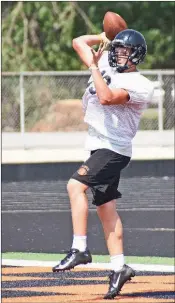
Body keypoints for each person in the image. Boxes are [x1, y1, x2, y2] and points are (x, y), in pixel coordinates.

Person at [52, 28, 154, 299]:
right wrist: (103, 36)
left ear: (137, 55)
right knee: (106, 209)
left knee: (75, 186)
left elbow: (107, 97)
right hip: (99, 146)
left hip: (113, 149)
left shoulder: (141, 84)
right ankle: (119, 267)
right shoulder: (107, 60)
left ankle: (80, 248)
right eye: (116, 50)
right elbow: (77, 41)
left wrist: (93, 67)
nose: (118, 55)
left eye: (125, 51)